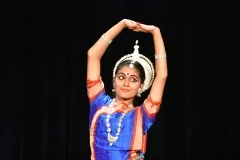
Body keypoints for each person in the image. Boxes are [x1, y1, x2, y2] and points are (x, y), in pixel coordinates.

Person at [86, 19, 168, 160]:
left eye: (133, 80)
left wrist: (155, 32)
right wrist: (122, 24)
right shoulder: (98, 102)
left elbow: (162, 75)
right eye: (121, 77)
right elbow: (93, 55)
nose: (126, 83)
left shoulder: (143, 114)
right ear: (114, 80)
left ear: (141, 86)